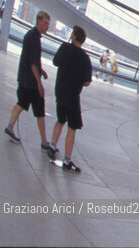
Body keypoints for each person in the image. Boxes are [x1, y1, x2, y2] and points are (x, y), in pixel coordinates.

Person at [4, 11, 54, 156]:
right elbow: (33, 63)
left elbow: (31, 60)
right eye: (45, 23)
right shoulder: (34, 38)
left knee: (21, 104)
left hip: (25, 79)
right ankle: (44, 143)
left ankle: (10, 127)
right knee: (39, 112)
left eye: (48, 24)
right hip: (31, 82)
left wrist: (41, 70)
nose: (47, 26)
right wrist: (39, 84)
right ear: (38, 20)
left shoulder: (31, 36)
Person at [48, 25, 93, 172]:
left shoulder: (64, 48)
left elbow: (55, 62)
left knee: (60, 120)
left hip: (60, 91)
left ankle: (52, 145)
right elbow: (87, 82)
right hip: (73, 97)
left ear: (73, 36)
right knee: (72, 128)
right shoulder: (85, 59)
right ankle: (67, 160)